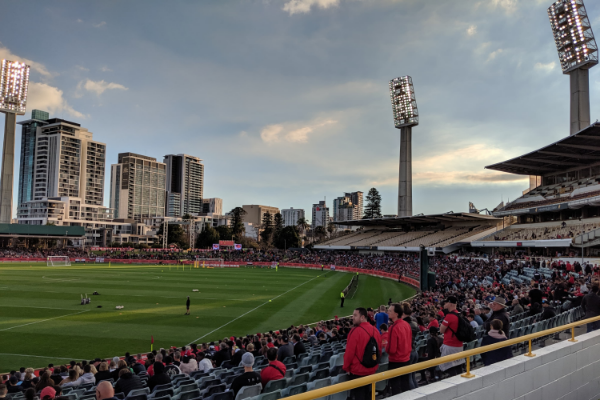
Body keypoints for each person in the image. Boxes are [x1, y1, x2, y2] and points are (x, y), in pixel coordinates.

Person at [343, 308, 382, 400]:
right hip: (372, 369)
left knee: (359, 396)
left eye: (355, 315)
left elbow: (349, 353)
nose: (352, 318)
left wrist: (346, 367)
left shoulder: (355, 331)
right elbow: (379, 350)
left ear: (362, 317)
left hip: (358, 371)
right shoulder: (375, 330)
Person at [386, 303, 413, 395]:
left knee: (395, 388)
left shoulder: (393, 328)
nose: (388, 312)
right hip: (406, 359)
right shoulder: (406, 324)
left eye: (390, 311)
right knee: (405, 385)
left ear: (396, 314)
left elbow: (391, 349)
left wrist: (386, 347)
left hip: (396, 361)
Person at [439, 296, 465, 377]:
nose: (444, 304)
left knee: (450, 368)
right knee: (458, 367)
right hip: (459, 344)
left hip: (450, 345)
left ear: (450, 304)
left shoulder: (449, 316)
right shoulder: (459, 314)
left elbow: (441, 330)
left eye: (446, 302)